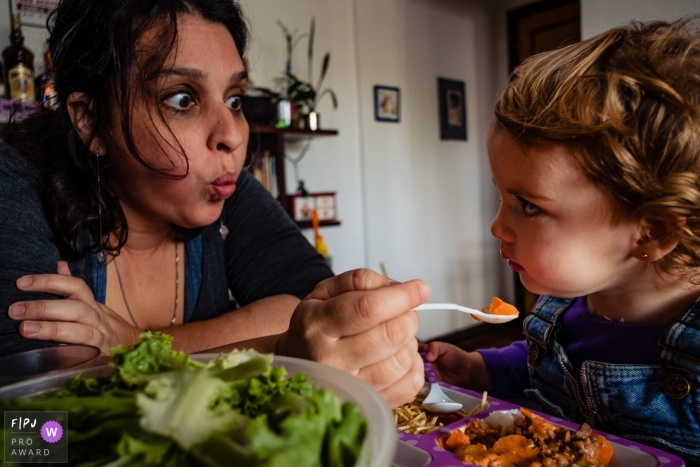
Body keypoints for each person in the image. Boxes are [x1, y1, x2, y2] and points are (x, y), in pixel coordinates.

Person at [0, 0, 427, 407]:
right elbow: (29, 438)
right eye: (182, 99)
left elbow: (309, 305)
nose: (234, 135)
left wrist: (135, 348)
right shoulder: (15, 190)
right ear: (90, 121)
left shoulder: (223, 188)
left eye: (235, 99)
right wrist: (271, 350)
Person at [423, 18, 700, 463]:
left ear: (653, 231)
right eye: (502, 196)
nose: (497, 227)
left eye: (528, 205)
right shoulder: (558, 311)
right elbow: (539, 367)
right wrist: (478, 369)